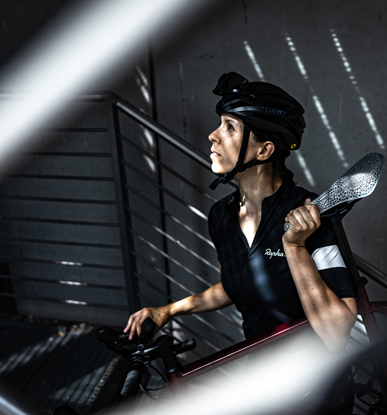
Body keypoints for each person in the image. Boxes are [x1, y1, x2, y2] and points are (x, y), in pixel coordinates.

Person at [124, 72, 358, 413]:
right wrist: (170, 310)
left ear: (264, 149)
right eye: (220, 125)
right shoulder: (221, 217)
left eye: (230, 127)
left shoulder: (311, 215)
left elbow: (338, 330)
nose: (212, 136)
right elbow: (236, 284)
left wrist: (294, 247)